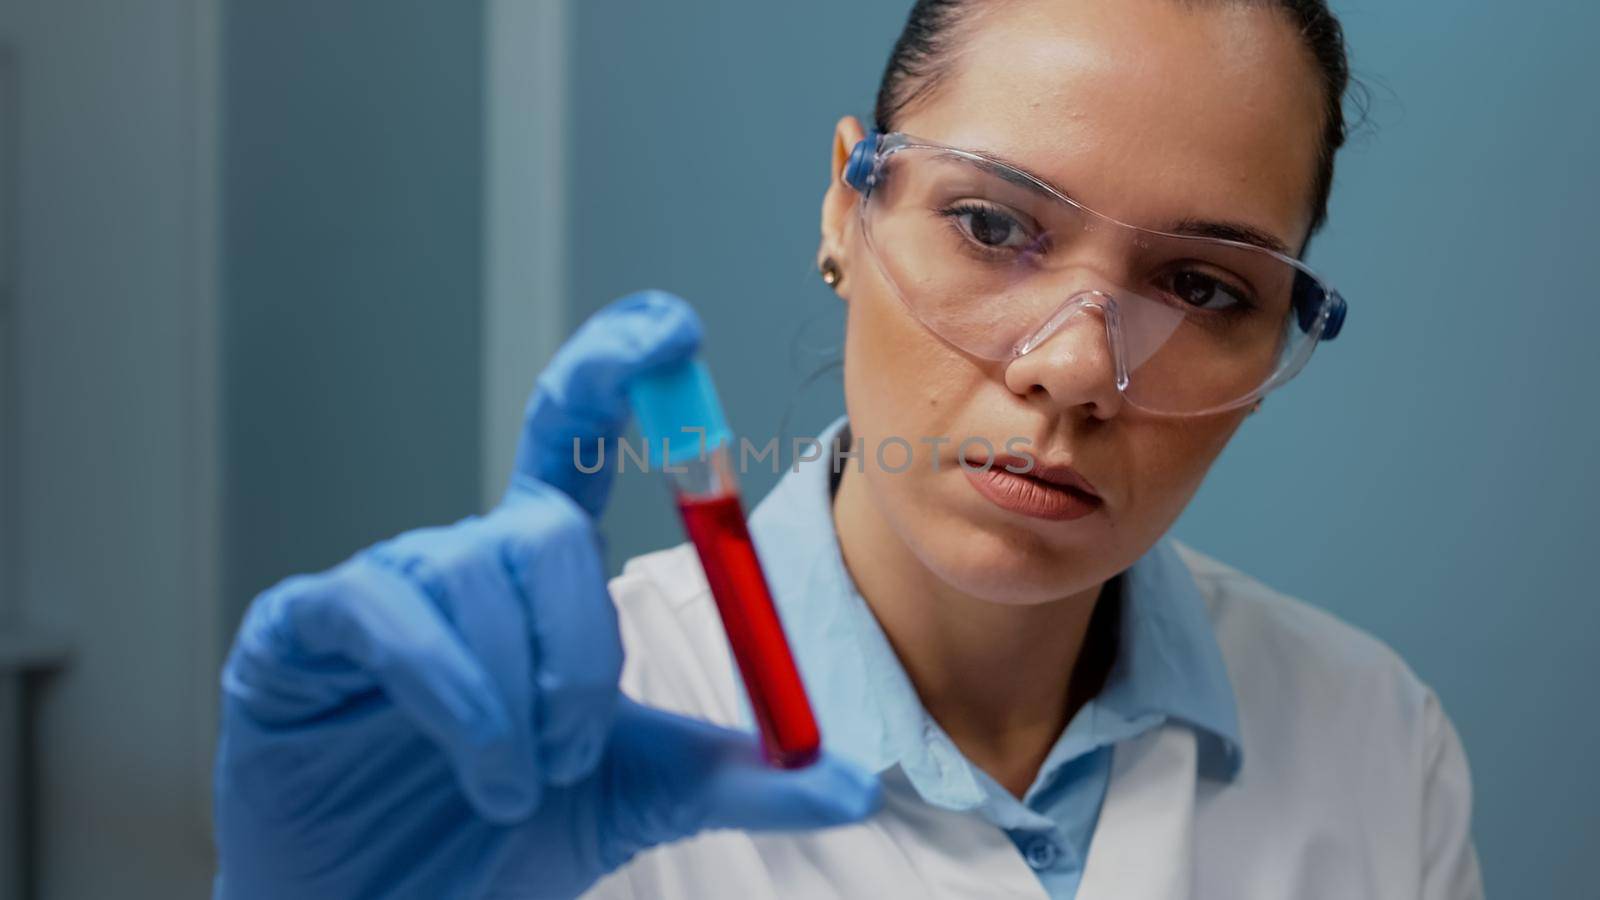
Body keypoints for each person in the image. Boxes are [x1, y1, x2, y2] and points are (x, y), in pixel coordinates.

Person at [212, 0, 1485, 897]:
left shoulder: (1375, 738)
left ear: (1270, 352)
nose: (1076, 368)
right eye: (993, 223)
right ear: (846, 206)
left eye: (1205, 290)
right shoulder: (552, 742)